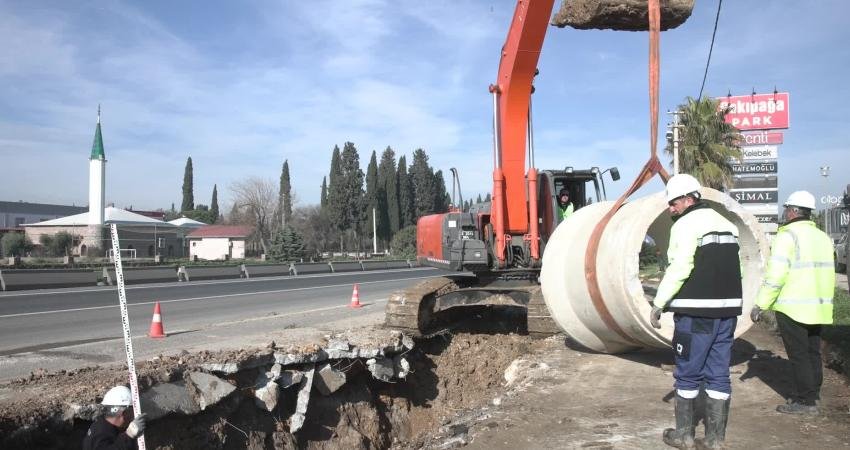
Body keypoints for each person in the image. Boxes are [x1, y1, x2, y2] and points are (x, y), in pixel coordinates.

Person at [649, 173, 742, 450]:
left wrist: (659, 303)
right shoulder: (727, 224)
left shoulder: (685, 225)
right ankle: (715, 440)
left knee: (688, 373)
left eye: (674, 203)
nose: (671, 209)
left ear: (689, 199)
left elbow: (680, 267)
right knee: (718, 373)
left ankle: (684, 436)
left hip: (696, 313)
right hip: (727, 313)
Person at [750, 190, 834, 415]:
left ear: (794, 211)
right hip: (819, 307)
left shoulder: (787, 236)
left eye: (787, 209)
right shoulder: (823, 237)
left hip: (793, 308)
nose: (785, 213)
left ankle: (805, 403)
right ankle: (813, 395)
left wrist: (761, 304)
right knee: (813, 353)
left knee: (798, 356)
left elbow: (776, 276)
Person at [83, 385, 147, 450]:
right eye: (133, 411)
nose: (134, 416)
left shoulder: (103, 425)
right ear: (124, 413)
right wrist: (129, 435)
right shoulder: (101, 433)